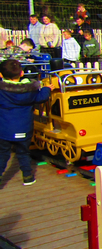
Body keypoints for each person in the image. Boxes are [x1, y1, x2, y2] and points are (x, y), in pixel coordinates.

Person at [0, 58, 57, 186]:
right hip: (24, 128)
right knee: (23, 152)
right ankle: (28, 177)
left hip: (4, 129)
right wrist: (47, 89)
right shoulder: (30, 89)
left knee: (3, 154)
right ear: (21, 73)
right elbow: (41, 97)